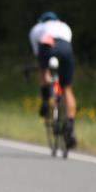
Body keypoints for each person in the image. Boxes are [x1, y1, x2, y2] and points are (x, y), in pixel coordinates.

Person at [29, 11, 77, 149]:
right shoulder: (65, 26)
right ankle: (70, 125)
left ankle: (46, 100)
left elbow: (37, 53)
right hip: (66, 50)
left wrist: (43, 69)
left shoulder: (36, 29)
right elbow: (68, 43)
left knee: (43, 71)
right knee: (67, 89)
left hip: (47, 47)